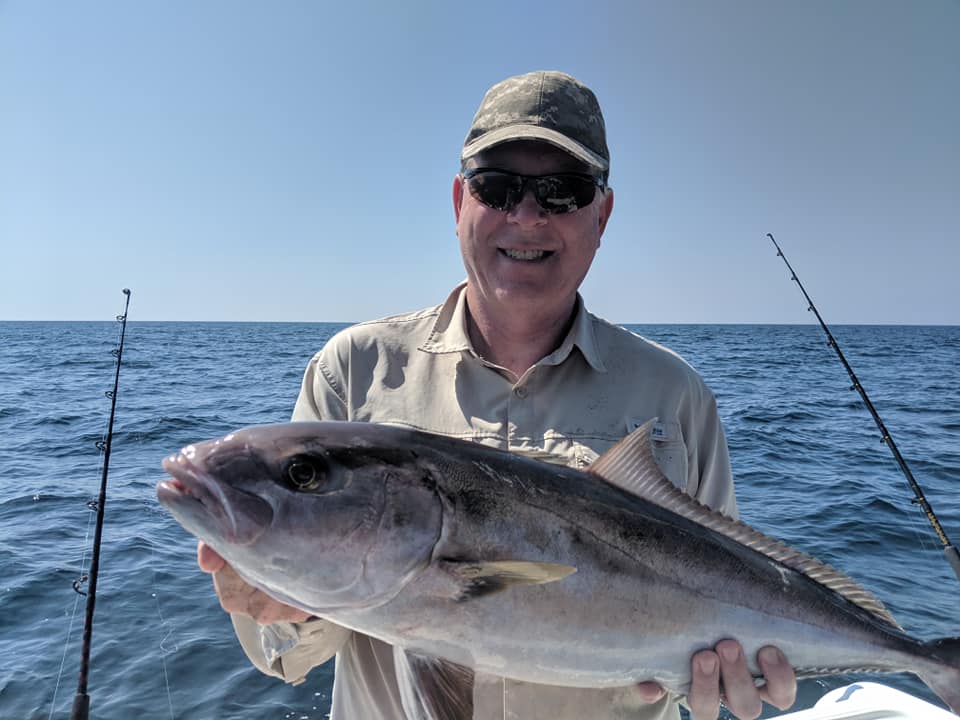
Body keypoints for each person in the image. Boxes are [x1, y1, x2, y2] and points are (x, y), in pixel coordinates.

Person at [197, 70, 798, 719]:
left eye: (563, 191)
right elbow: (288, 653)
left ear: (603, 213)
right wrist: (282, 605)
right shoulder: (353, 372)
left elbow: (735, 596)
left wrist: (740, 683)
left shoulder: (674, 395)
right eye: (497, 186)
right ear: (460, 202)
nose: (528, 214)